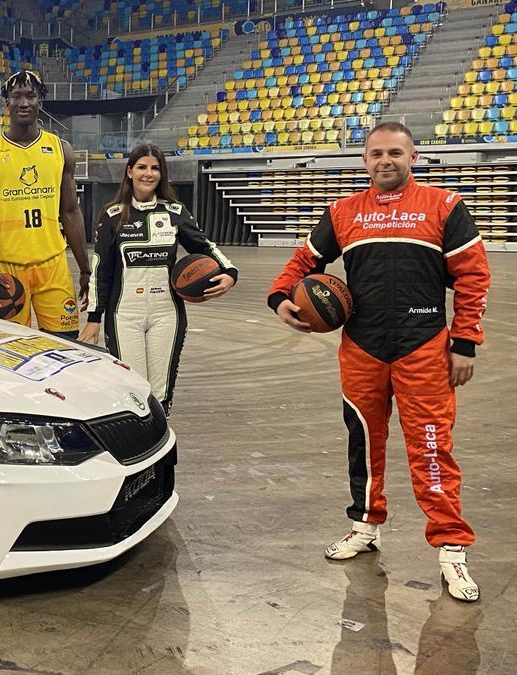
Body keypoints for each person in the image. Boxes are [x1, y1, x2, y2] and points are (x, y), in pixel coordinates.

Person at [267, 122, 490, 602]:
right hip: (363, 348)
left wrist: (465, 342)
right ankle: (365, 525)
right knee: (363, 443)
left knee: (431, 449)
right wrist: (280, 296)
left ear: (413, 157)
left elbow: (474, 278)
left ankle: (451, 548)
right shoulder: (344, 212)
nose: (385, 161)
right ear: (364, 160)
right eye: (375, 154)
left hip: (425, 346)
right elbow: (303, 262)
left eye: (394, 153)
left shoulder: (444, 207)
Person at [78, 143, 236, 414]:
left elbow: (204, 246)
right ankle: (136, 447)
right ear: (129, 172)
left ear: (162, 174)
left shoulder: (175, 212)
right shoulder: (112, 215)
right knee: (132, 387)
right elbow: (101, 270)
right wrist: (94, 318)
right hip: (124, 313)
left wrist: (230, 273)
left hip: (167, 312)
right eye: (141, 167)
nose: (148, 174)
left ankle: (160, 443)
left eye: (155, 168)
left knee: (161, 390)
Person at [0, 70, 89, 338]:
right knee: (8, 352)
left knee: (65, 346)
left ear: (40, 102)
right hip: (5, 267)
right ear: (7, 103)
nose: (23, 102)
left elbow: (70, 212)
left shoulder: (61, 149)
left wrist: (84, 267)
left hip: (52, 264)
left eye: (30, 96)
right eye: (16, 96)